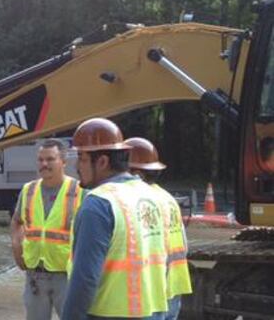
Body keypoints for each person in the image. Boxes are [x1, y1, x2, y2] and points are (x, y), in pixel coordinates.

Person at [62, 118, 168, 320]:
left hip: (108, 314)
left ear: (102, 161)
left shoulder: (99, 204)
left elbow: (84, 279)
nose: (76, 166)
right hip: (153, 312)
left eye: (82, 158)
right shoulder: (154, 196)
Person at [10, 139, 83, 319]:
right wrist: (17, 248)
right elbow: (16, 221)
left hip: (66, 275)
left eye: (50, 159)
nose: (44, 164)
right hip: (36, 274)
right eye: (40, 160)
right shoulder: (29, 190)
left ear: (64, 162)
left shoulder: (79, 191)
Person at [125, 137, 192, 320]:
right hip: (172, 286)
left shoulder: (138, 201)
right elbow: (183, 246)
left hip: (150, 291)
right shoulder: (167, 198)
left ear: (137, 173)